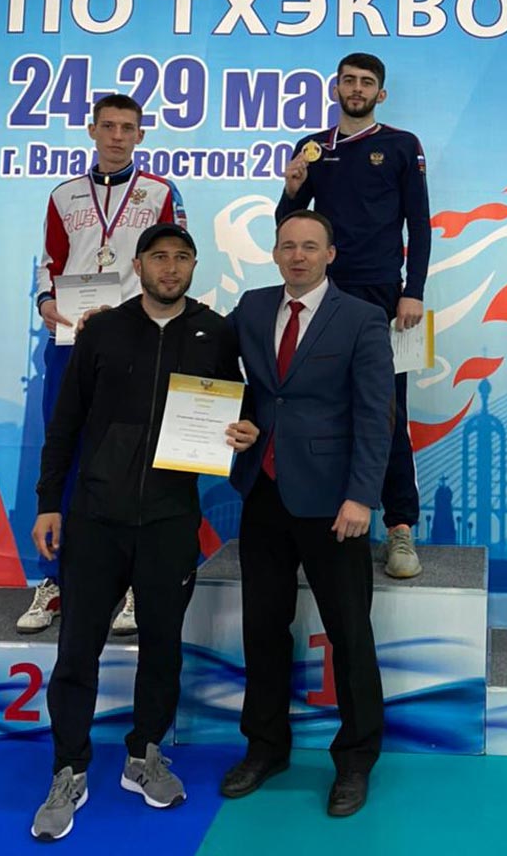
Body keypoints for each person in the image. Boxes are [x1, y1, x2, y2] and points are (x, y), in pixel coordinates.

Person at [29, 224, 258, 842]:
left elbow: (241, 406)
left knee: (163, 646)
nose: (171, 267)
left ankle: (144, 754)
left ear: (194, 266)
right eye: (159, 257)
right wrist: (49, 503)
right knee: (77, 649)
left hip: (169, 521)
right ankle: (69, 768)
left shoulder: (216, 331)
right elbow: (65, 424)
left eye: (182, 257)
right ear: (139, 265)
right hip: (95, 519)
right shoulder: (102, 330)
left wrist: (244, 430)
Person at [220, 210, 394, 818]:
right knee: (262, 629)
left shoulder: (362, 318)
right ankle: (265, 748)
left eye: (310, 246)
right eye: (288, 246)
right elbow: (208, 358)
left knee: (349, 634)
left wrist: (361, 497)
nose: (298, 256)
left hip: (334, 503)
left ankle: (356, 759)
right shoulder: (251, 307)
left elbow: (376, 414)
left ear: (330, 254)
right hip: (263, 493)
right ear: (274, 253)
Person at [19, 93, 187, 636]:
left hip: (135, 338)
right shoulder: (64, 194)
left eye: (127, 128)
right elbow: (50, 262)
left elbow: (174, 263)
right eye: (108, 126)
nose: (117, 136)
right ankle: (55, 579)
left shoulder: (160, 192)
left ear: (141, 135)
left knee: (137, 452)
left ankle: (135, 582)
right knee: (64, 449)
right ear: (92, 130)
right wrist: (46, 301)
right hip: (71, 340)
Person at [275, 52, 430, 579]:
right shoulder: (312, 148)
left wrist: (413, 291)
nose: (357, 89)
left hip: (384, 295)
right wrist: (291, 189)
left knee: (386, 410)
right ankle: (324, 524)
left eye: (366, 82)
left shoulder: (402, 145)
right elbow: (290, 226)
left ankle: (400, 527)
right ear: (335, 88)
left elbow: (419, 224)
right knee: (322, 406)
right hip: (326, 292)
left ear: (380, 94)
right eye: (349, 81)